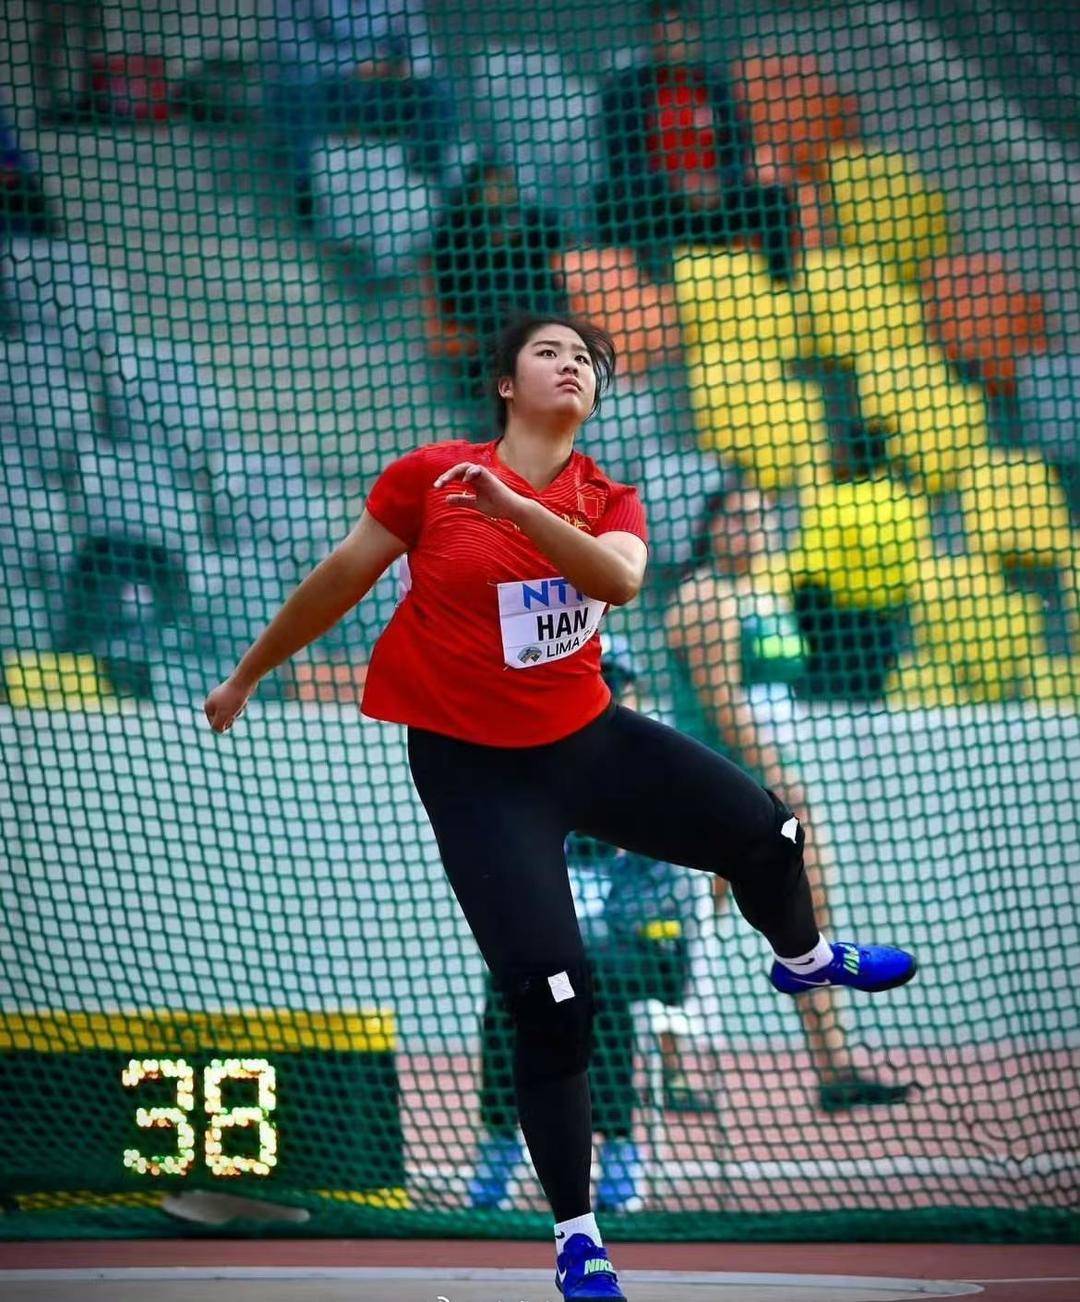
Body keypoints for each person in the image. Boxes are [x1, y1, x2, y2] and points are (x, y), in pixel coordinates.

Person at [204, 311, 916, 1301]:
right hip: (475, 776)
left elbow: (618, 582)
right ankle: (579, 1236)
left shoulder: (606, 497)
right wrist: (247, 677)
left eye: (586, 358)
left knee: (774, 834)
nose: (573, 363)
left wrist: (519, 510)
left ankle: (801, 961)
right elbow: (339, 578)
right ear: (506, 383)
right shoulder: (430, 479)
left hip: (588, 745)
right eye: (552, 351)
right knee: (554, 1000)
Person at [666, 482, 913, 1112]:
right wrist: (781, 780)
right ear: (711, 529)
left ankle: (834, 1071)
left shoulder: (767, 596)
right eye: (738, 519)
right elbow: (722, 702)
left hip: (769, 785)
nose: (753, 530)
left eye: (762, 519)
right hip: (714, 787)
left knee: (809, 923)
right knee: (692, 929)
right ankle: (673, 1074)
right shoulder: (704, 598)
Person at [467, 634, 706, 1217]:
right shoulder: (530, 768)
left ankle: (620, 1150)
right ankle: (501, 1143)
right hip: (554, 948)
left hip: (637, 950)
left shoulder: (653, 772)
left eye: (614, 683)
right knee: (512, 991)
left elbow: (665, 889)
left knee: (597, 987)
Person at [594, 0, 798, 281]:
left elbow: (740, 150)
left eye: (681, 32)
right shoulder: (626, 92)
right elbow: (621, 162)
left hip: (716, 200)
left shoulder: (715, 86)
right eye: (664, 34)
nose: (673, 42)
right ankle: (656, 286)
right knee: (618, 197)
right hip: (662, 204)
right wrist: (677, 184)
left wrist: (717, 183)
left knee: (773, 198)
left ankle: (781, 284)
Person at [261, 0, 458, 229]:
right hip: (329, 87)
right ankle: (305, 195)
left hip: (382, 88)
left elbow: (424, 50)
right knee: (299, 85)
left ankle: (429, 183)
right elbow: (293, 49)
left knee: (438, 90)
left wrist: (402, 69)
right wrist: (354, 65)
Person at [430, 157, 567, 368]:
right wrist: (488, 240)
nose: (501, 190)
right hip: (482, 309)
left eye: (505, 183)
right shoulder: (458, 226)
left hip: (533, 299)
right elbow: (450, 281)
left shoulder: (529, 219)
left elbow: (555, 239)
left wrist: (514, 234)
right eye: (493, 185)